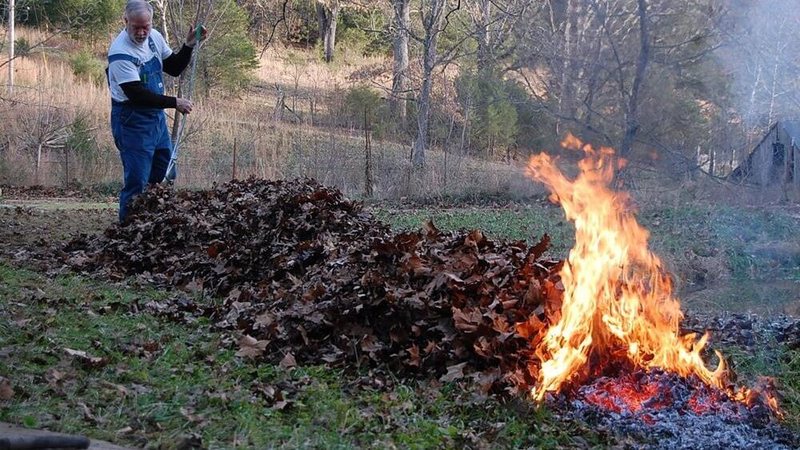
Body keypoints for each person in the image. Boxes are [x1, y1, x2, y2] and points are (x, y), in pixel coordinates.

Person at [107, 0, 207, 222]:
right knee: (137, 180)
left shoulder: (155, 38)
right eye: (136, 27)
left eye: (146, 26)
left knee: (162, 170)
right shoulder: (120, 53)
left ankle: (148, 221)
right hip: (131, 121)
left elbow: (173, 67)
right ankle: (126, 231)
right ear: (126, 22)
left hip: (155, 119)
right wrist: (175, 102)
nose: (142, 32)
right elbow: (137, 95)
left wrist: (188, 46)